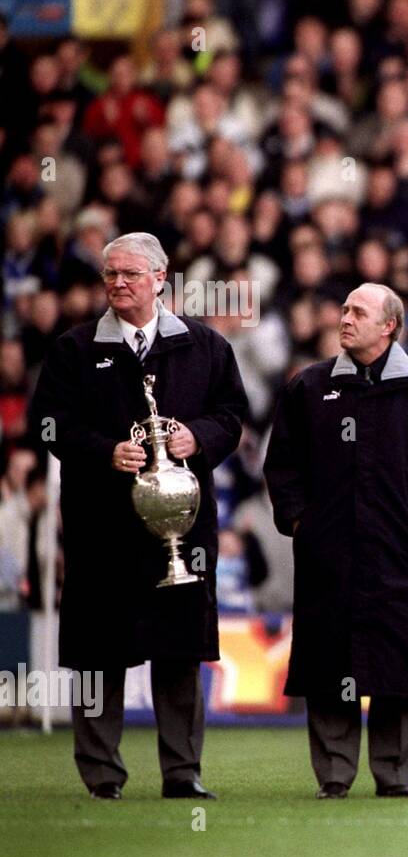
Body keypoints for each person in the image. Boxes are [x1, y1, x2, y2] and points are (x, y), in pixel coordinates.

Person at [28, 231, 248, 800]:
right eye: (110, 275)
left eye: (129, 274)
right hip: (100, 529)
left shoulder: (205, 347)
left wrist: (194, 439)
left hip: (181, 529)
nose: (118, 284)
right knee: (99, 654)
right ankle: (102, 775)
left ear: (160, 278)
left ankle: (183, 773)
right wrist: (104, 449)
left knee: (180, 653)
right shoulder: (74, 350)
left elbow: (232, 416)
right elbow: (48, 424)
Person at [263, 283, 408, 798]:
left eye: (359, 311)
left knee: (401, 665)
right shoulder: (307, 388)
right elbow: (282, 466)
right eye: (344, 309)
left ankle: (396, 777)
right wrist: (299, 524)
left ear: (389, 326)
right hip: (328, 558)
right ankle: (333, 776)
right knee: (330, 663)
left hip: (407, 558)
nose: (345, 318)